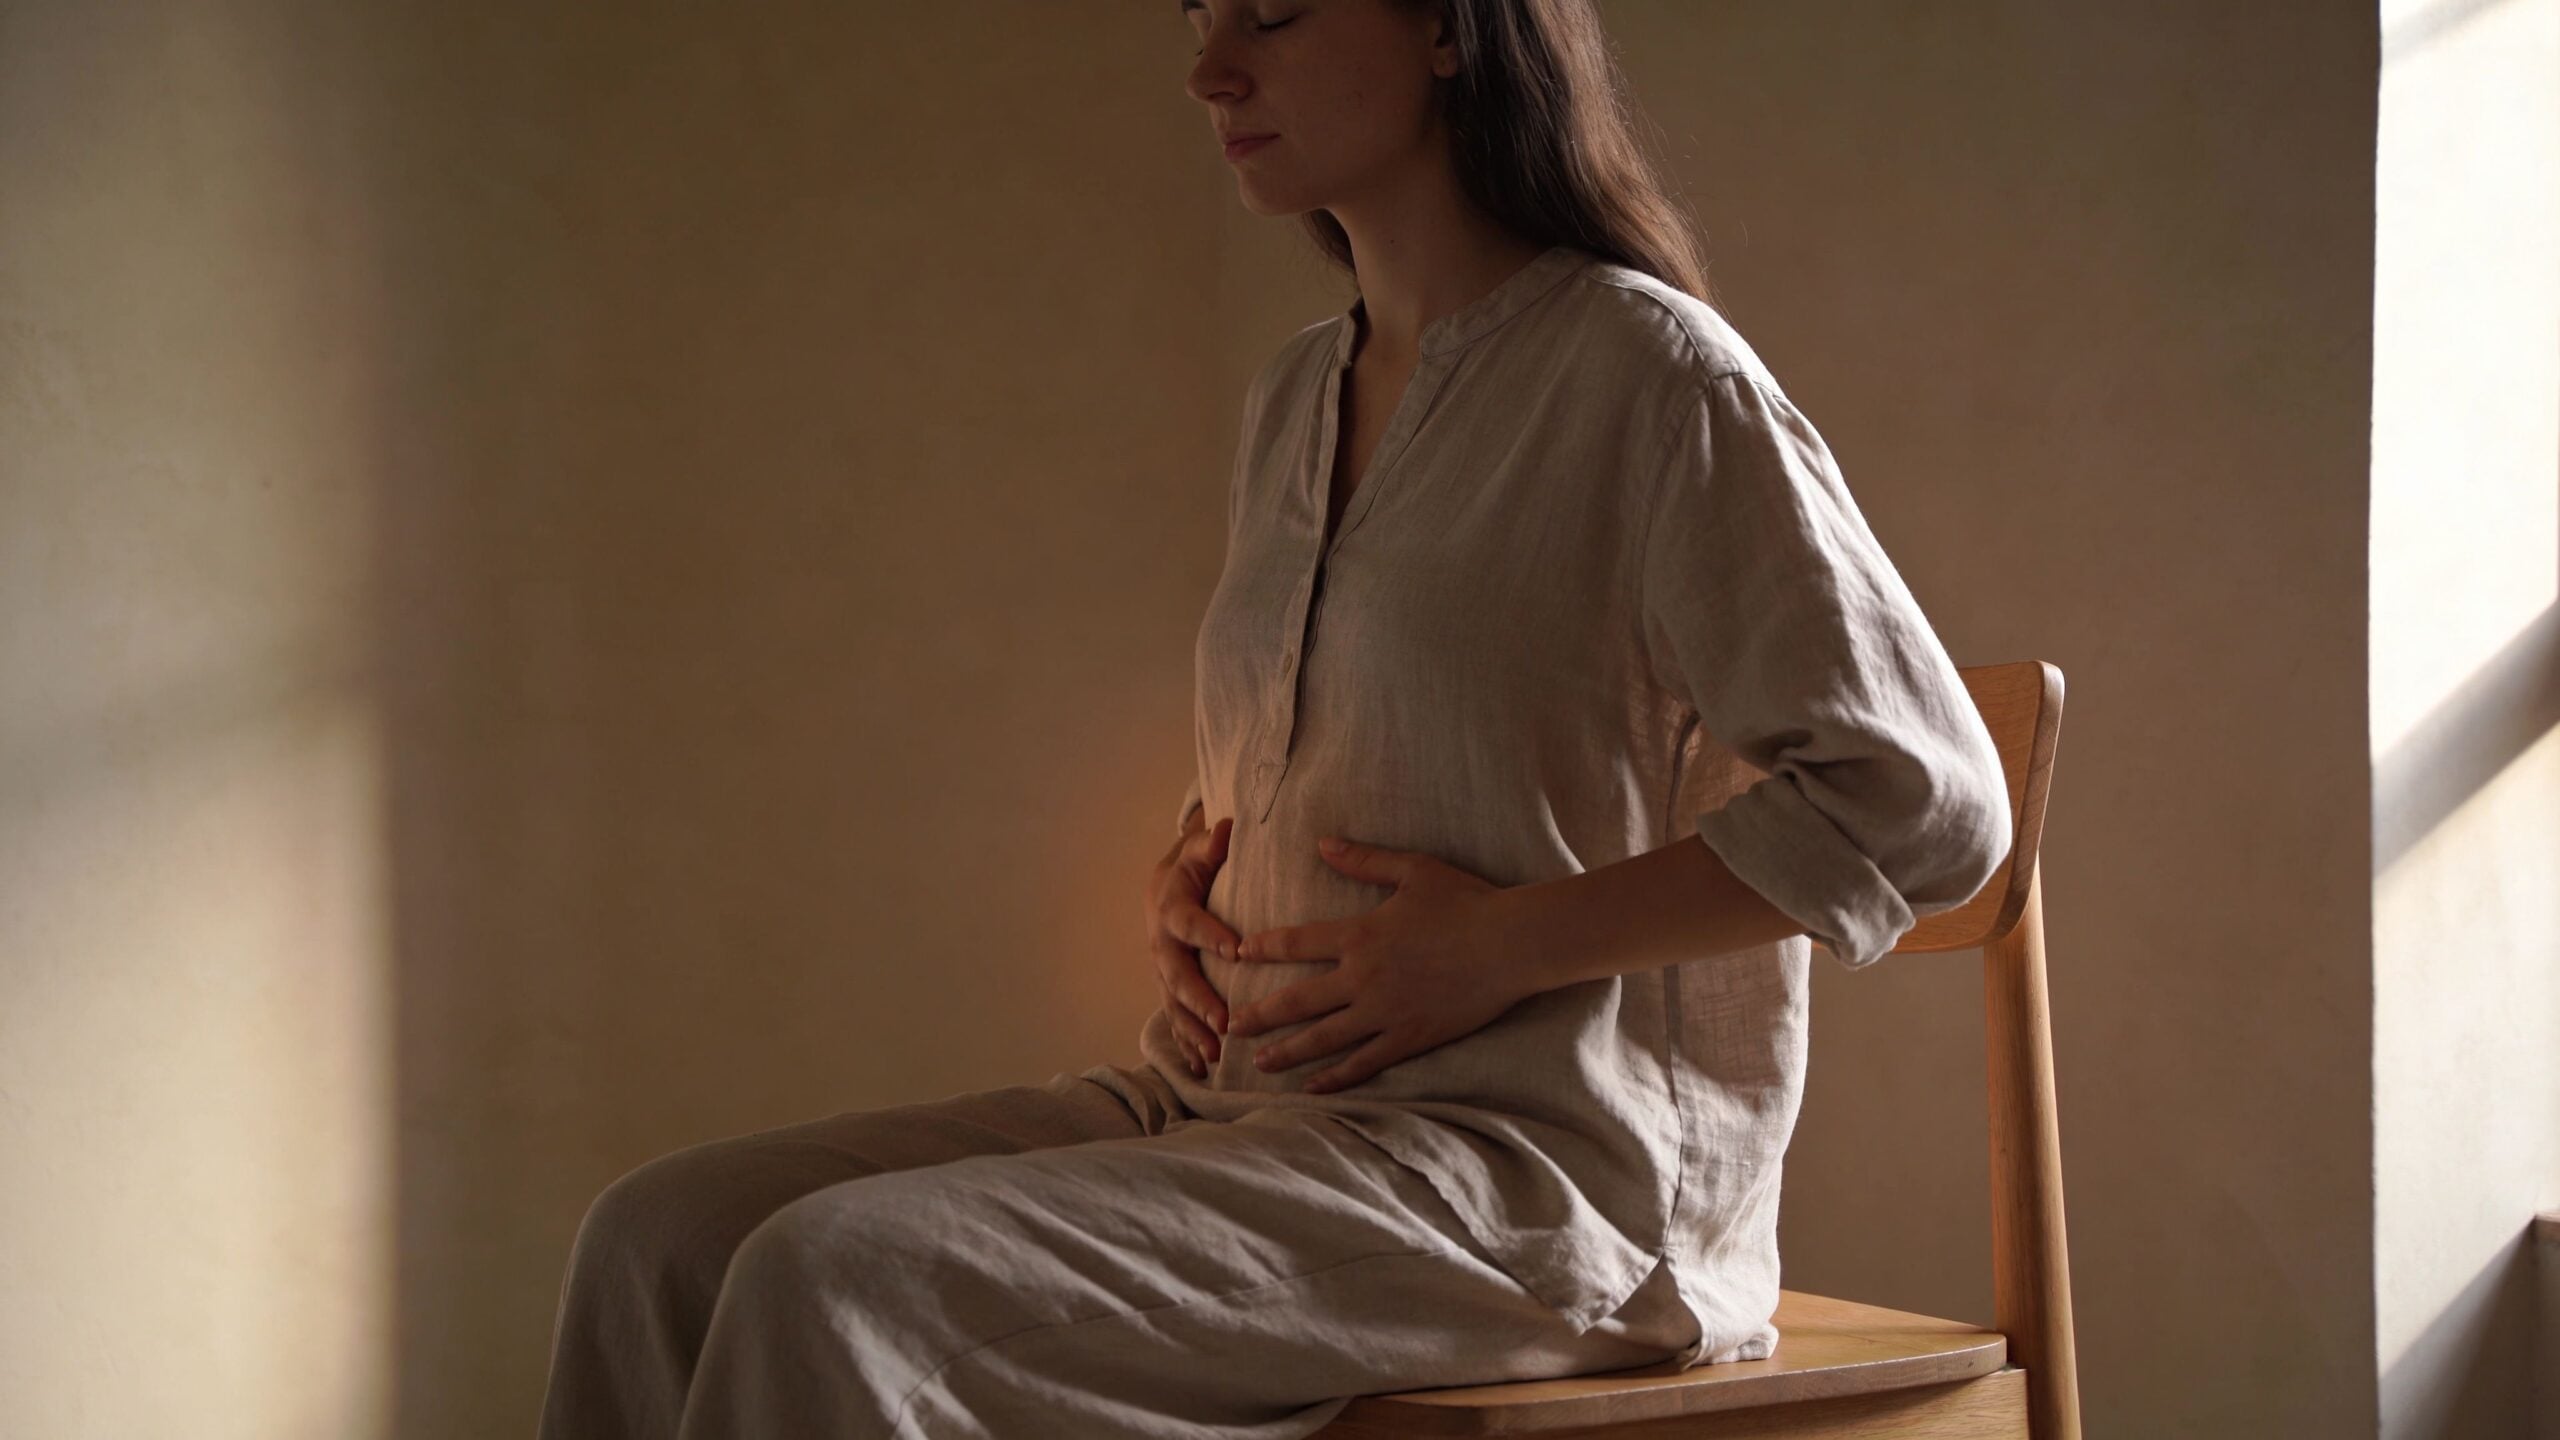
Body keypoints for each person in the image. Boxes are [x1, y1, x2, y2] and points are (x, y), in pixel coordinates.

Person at [535, 1, 2016, 1436]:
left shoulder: (1654, 379)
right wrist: (1201, 887)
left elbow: (1932, 804)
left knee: (833, 1284)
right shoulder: (1298, 393)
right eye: (1199, 16)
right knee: (654, 1245)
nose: (1210, 71)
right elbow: (1378, 737)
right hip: (1230, 1110)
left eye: (1276, 14)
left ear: (1450, 25)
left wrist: (1495, 947)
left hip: (1536, 1182)